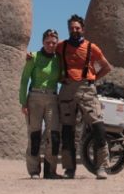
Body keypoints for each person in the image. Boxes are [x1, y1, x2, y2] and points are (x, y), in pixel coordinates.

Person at [56, 14, 113, 179]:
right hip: (67, 90)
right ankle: (69, 169)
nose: (74, 30)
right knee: (67, 131)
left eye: (77, 28)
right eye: (71, 28)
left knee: (98, 127)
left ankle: (101, 167)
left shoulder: (91, 47)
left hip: (87, 89)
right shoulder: (61, 46)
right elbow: (48, 55)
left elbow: (106, 67)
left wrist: (93, 79)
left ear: (83, 29)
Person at [19, 28, 62, 178]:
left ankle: (50, 171)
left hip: (52, 99)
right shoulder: (34, 57)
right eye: (48, 42)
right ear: (42, 42)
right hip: (35, 99)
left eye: (54, 42)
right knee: (34, 134)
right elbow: (24, 80)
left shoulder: (59, 59)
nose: (51, 45)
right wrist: (23, 102)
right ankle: (34, 171)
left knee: (54, 135)